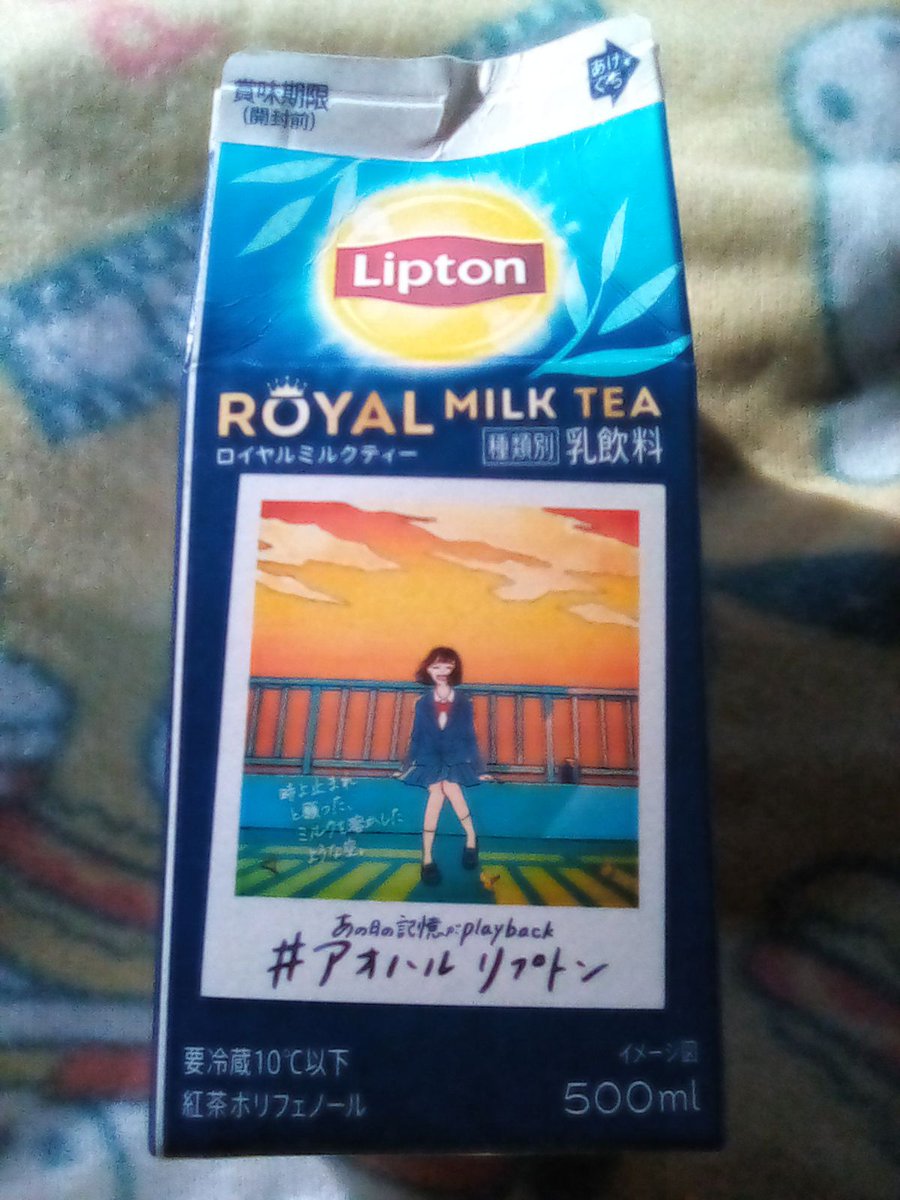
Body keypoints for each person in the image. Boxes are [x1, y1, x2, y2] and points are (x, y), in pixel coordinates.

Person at [398, 646, 491, 885]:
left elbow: (470, 736)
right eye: (436, 666)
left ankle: (436, 854)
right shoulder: (422, 703)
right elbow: (416, 737)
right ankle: (454, 845)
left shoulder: (463, 702)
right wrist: (406, 766)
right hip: (429, 759)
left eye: (447, 666)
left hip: (454, 759)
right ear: (428, 669)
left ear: (454, 669)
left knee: (448, 787)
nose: (441, 671)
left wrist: (480, 769)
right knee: (440, 791)